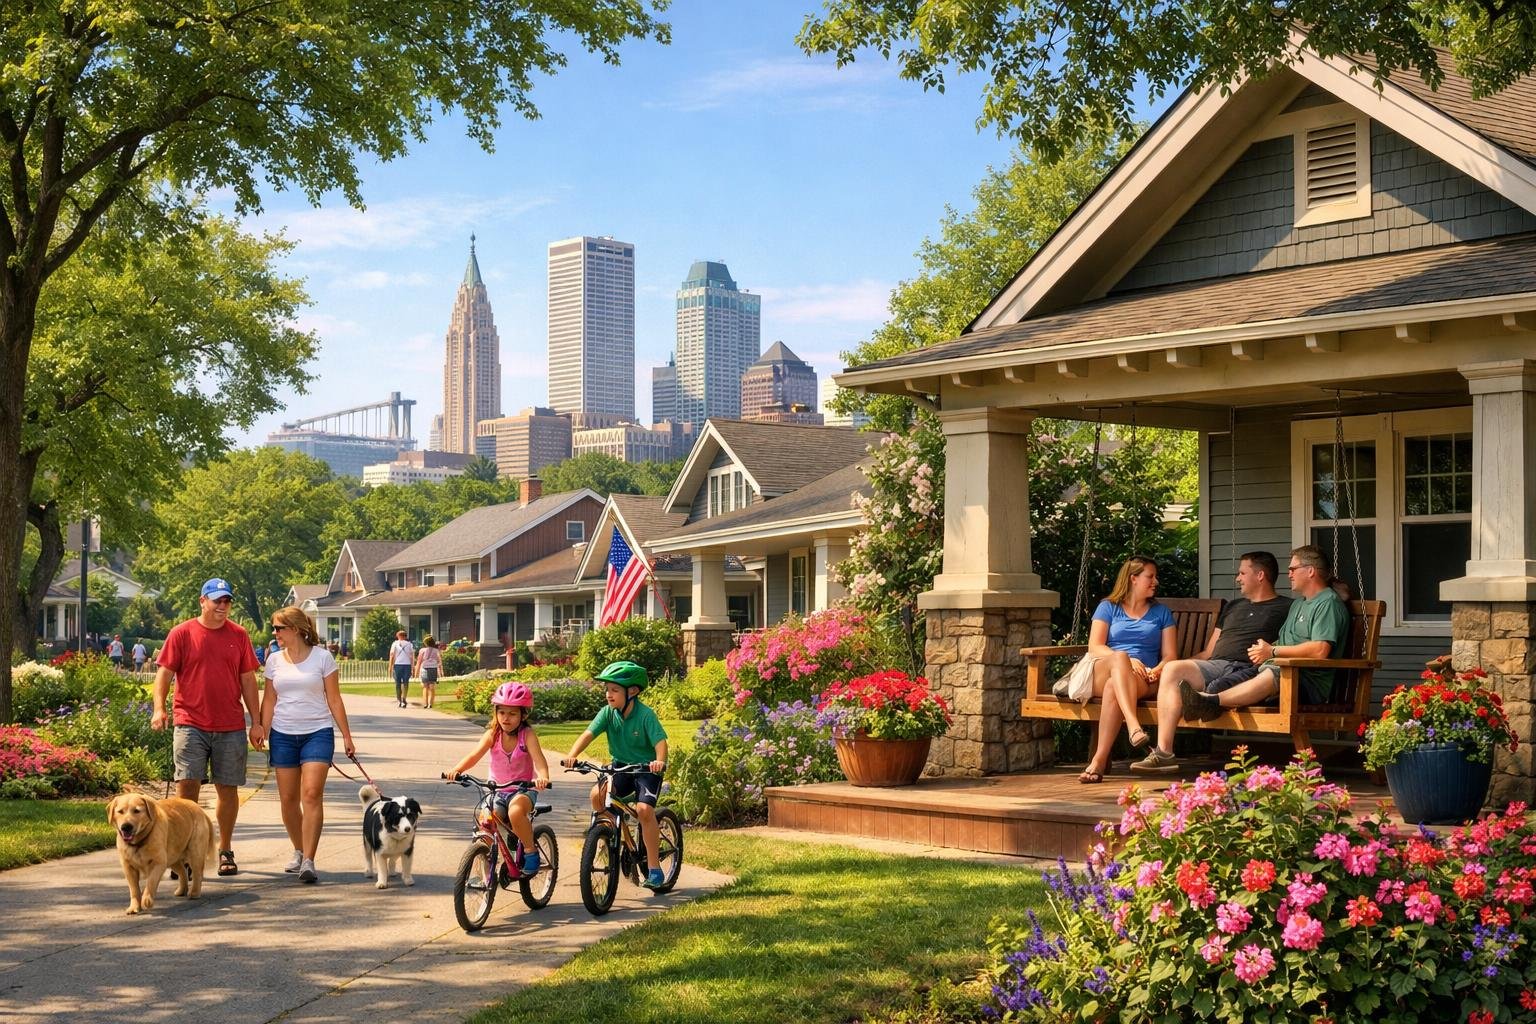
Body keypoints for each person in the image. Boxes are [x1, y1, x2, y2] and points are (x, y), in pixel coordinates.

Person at [1154, 545, 1351, 772]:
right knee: (1228, 681)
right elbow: (1283, 641)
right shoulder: (1299, 604)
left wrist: (1273, 652)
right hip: (1272, 669)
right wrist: (1266, 650)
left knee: (1272, 672)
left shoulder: (1327, 603)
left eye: (1293, 568)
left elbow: (1320, 650)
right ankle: (1205, 699)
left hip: (1303, 680)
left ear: (1311, 571)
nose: (1288, 574)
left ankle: (1210, 701)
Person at [1130, 552, 1291, 773]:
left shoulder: (1287, 607)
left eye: (1242, 573)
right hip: (1216, 665)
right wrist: (1169, 669)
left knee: (1184, 673)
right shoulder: (1233, 606)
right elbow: (1208, 652)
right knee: (1173, 668)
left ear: (1260, 575)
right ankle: (1164, 753)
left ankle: (1203, 699)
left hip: (1248, 670)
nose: (1238, 578)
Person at [150, 578, 264, 877]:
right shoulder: (182, 633)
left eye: (227, 601)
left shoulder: (238, 635)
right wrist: (159, 708)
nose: (223, 606)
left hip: (230, 724)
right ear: (203, 601)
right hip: (190, 722)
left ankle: (225, 850)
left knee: (228, 789)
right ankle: (184, 853)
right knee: (187, 787)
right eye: (217, 601)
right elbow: (164, 674)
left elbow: (248, 680)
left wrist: (257, 722)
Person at [260, 605, 355, 883]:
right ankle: (299, 849)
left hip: (318, 732)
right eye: (274, 628)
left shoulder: (323, 658)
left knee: (311, 794)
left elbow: (334, 699)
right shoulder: (274, 660)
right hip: (283, 733)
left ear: (297, 629)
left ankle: (309, 861)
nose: (275, 633)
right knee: (289, 799)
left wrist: (347, 736)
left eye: (279, 628)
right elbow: (269, 699)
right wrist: (262, 729)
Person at [560, 661, 670, 889]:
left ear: (632, 691)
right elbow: (588, 734)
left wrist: (659, 761)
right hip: (620, 766)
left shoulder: (645, 715)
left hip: (645, 770)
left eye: (614, 690)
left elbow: (661, 743)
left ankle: (654, 869)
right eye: (607, 689)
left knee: (644, 811)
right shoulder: (607, 713)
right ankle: (615, 834)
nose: (609, 694)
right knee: (596, 796)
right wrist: (572, 755)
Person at [1078, 556, 1178, 785]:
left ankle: (1098, 761)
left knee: (1115, 685)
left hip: (1143, 678)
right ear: (1133, 578)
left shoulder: (1161, 613)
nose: (1156, 582)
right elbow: (1095, 646)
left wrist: (1159, 669)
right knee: (1120, 658)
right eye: (1150, 577)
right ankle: (1133, 725)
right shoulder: (1108, 607)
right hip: (1106, 667)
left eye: (1155, 577)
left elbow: (1170, 655)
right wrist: (1126, 660)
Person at [444, 682, 550, 873]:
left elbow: (540, 761)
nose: (506, 718)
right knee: (485, 822)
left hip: (523, 790)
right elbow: (474, 756)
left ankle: (530, 852)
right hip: (497, 792)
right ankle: (483, 870)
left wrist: (543, 777)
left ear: (523, 715)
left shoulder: (527, 735)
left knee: (516, 812)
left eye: (512, 713)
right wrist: (457, 770)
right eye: (502, 713)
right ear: (496, 713)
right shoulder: (493, 734)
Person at [414, 636, 443, 710]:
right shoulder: (436, 651)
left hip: (424, 668)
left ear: (426, 643)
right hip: (433, 668)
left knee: (425, 687)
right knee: (432, 686)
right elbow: (439, 661)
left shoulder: (422, 650)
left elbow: (419, 662)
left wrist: (416, 673)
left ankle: (425, 703)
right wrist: (441, 671)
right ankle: (430, 704)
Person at [389, 630, 415, 708]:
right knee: (406, 683)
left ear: (398, 636)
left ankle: (399, 700)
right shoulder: (410, 644)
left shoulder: (395, 644)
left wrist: (390, 666)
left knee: (398, 683)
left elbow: (392, 655)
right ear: (405, 636)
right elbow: (411, 656)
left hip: (398, 664)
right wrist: (412, 666)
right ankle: (404, 698)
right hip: (407, 665)